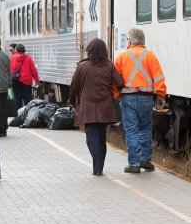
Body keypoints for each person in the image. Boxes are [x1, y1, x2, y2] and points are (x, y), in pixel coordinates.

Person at [114, 28, 167, 173]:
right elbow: (159, 78)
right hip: (146, 99)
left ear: (130, 41)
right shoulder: (150, 56)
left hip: (128, 99)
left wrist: (116, 94)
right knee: (145, 128)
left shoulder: (122, 57)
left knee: (131, 130)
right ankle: (146, 161)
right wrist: (161, 95)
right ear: (143, 41)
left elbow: (115, 79)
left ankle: (134, 164)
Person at [69, 38, 124, 176]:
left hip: (88, 108)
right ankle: (98, 167)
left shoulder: (82, 67)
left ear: (90, 51)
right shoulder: (109, 66)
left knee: (91, 139)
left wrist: (71, 101)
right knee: (101, 138)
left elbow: (74, 87)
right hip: (105, 107)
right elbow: (120, 83)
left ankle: (97, 168)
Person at [10, 44, 40, 108]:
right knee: (27, 98)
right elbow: (33, 70)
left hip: (15, 80)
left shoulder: (12, 57)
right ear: (24, 50)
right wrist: (37, 80)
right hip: (27, 81)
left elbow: (9, 69)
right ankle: (27, 113)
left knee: (17, 98)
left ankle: (18, 113)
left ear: (16, 50)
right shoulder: (28, 58)